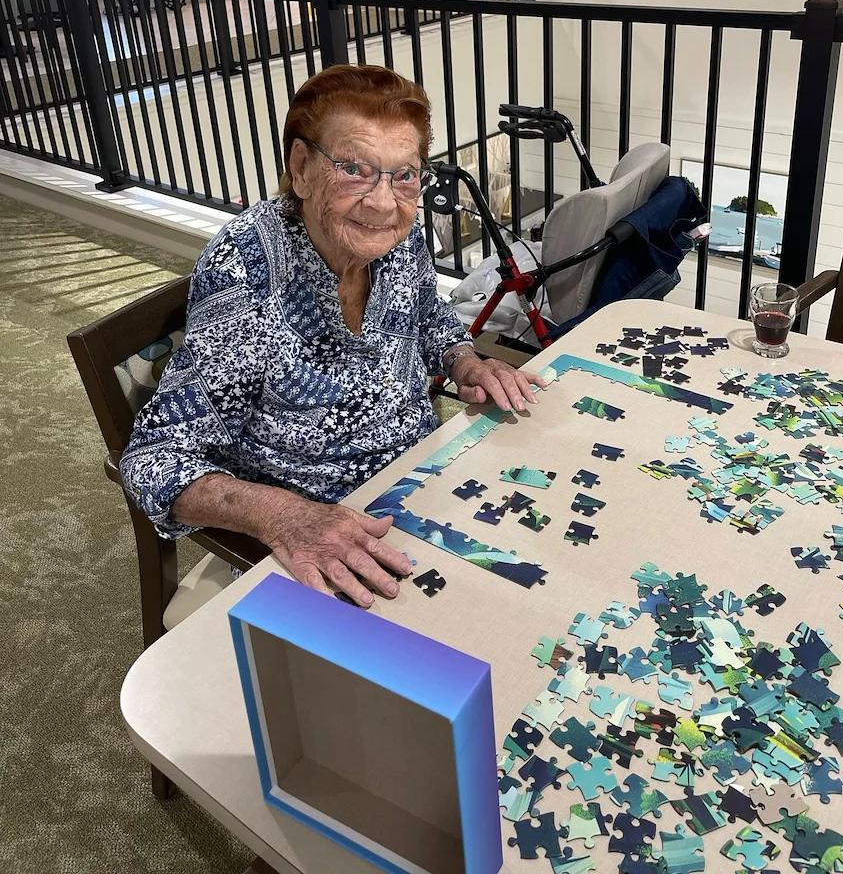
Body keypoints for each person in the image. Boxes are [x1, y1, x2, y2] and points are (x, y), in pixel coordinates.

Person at [120, 65, 544, 608]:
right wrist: (288, 518)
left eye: (405, 174)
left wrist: (466, 361)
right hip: (321, 534)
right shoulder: (247, 270)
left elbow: (425, 313)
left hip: (425, 479)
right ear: (301, 168)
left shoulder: (398, 234)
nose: (384, 202)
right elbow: (153, 460)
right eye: (354, 169)